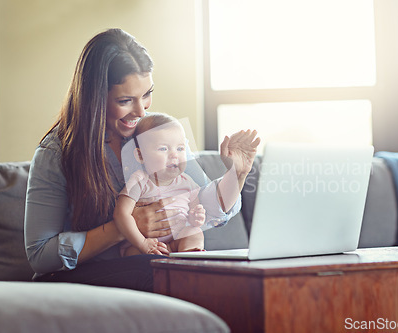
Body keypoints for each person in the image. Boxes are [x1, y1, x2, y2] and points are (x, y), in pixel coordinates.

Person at [24, 28, 260, 292]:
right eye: (125, 100)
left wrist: (236, 175)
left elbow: (207, 203)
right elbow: (40, 256)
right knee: (160, 273)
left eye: (147, 94)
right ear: (93, 98)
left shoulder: (155, 132)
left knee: (209, 272)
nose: (140, 111)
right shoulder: (55, 153)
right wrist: (124, 227)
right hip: (77, 278)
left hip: (149, 262)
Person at [115, 112, 207, 255]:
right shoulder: (139, 181)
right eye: (164, 148)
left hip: (177, 241)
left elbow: (194, 211)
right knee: (132, 253)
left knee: (195, 232)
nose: (174, 155)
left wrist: (197, 217)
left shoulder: (187, 181)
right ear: (140, 156)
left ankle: (190, 259)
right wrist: (142, 243)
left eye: (180, 148)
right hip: (146, 244)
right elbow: (121, 214)